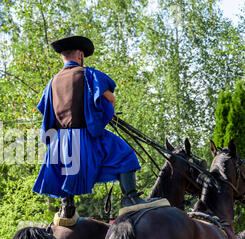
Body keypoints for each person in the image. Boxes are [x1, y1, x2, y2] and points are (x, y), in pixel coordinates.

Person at [32, 36, 167, 225]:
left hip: (59, 143)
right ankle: (131, 198)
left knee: (65, 171)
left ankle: (66, 206)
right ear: (80, 55)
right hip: (83, 139)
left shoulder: (52, 83)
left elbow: (47, 114)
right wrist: (102, 114)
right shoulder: (88, 75)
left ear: (63, 57)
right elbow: (109, 98)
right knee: (125, 154)